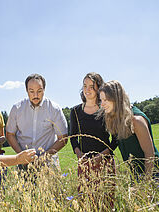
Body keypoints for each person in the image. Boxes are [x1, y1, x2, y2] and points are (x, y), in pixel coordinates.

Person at [99, 80, 159, 183]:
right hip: (135, 172)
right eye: (101, 100)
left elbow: (150, 154)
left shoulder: (136, 120)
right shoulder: (115, 119)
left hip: (151, 170)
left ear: (116, 99)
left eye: (105, 100)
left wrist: (145, 185)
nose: (102, 104)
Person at [70, 72, 118, 208]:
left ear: (99, 88)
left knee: (106, 202)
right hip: (84, 164)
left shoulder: (106, 109)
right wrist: (80, 156)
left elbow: (115, 140)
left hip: (105, 162)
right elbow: (73, 137)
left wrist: (100, 156)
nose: (87, 89)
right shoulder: (75, 111)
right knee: (86, 203)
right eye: (85, 86)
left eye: (92, 86)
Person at [6, 73, 68, 171]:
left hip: (49, 162)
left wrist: (44, 157)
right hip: (23, 164)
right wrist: (22, 157)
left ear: (44, 89)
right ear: (26, 90)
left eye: (39, 91)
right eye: (31, 91)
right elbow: (10, 134)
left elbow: (63, 138)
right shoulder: (17, 109)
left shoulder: (54, 109)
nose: (35, 95)